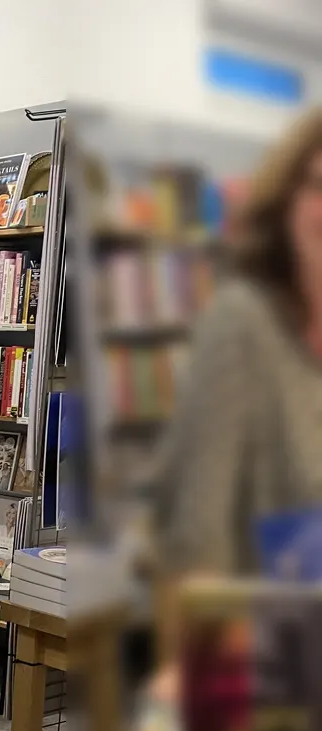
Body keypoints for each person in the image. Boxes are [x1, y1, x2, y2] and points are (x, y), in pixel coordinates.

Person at [154, 108, 322, 575]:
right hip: (267, 611)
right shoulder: (241, 322)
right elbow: (200, 525)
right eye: (318, 185)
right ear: (286, 201)